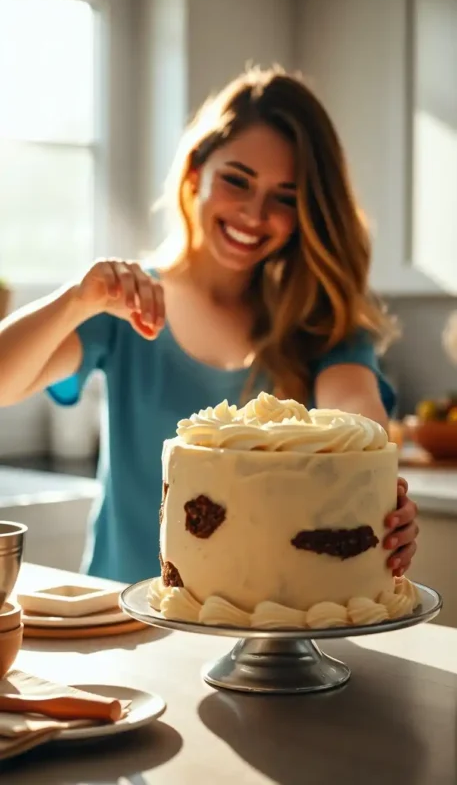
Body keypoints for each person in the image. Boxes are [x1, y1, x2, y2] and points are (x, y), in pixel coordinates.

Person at [0, 66, 418, 584]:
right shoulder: (123, 307)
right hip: (124, 623)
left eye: (284, 197)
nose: (252, 213)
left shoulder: (320, 324)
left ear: (307, 212)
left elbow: (358, 418)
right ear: (195, 173)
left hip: (263, 633)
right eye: (236, 180)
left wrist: (378, 490)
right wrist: (75, 300)